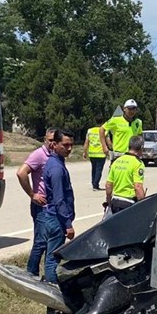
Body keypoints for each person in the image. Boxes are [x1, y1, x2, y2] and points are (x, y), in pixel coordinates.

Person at [27, 130, 75, 287]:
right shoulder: (56, 168)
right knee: (52, 259)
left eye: (71, 145)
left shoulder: (55, 163)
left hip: (51, 216)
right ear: (55, 145)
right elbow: (59, 199)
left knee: (48, 253)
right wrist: (67, 224)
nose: (69, 148)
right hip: (56, 219)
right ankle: (52, 289)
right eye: (65, 145)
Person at [17, 129, 56, 223]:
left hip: (53, 204)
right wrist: (32, 194)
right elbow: (21, 173)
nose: (52, 143)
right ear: (45, 139)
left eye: (55, 141)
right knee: (42, 237)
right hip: (42, 206)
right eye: (50, 140)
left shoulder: (55, 154)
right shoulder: (39, 154)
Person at [104, 136, 147, 214]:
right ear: (141, 147)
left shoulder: (117, 161)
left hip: (115, 202)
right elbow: (138, 187)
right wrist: (143, 206)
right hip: (128, 203)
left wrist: (109, 202)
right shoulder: (137, 163)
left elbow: (108, 185)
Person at [83, 116, 108, 191]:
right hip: (101, 153)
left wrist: (85, 152)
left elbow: (86, 142)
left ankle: (93, 183)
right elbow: (108, 141)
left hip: (92, 153)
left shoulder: (90, 131)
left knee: (93, 169)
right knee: (98, 170)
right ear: (103, 122)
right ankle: (95, 185)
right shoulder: (104, 130)